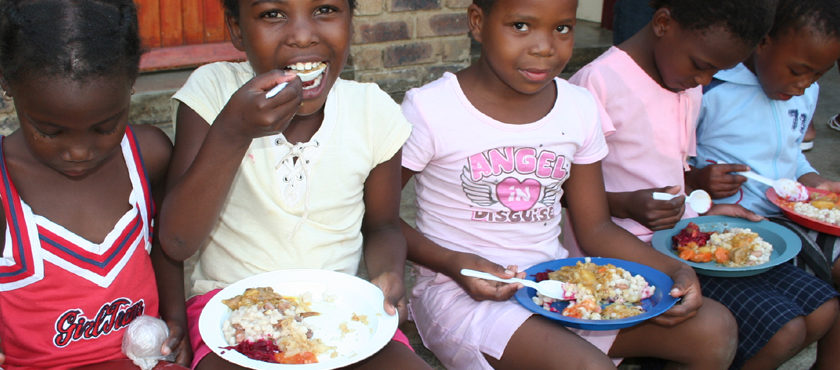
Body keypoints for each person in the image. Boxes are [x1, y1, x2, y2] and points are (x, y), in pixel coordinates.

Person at [400, 0, 741, 368]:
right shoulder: (431, 109)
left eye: (562, 28)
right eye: (520, 26)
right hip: (462, 293)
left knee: (714, 329)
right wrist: (454, 263)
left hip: (556, 282)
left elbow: (595, 226)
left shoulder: (577, 108)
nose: (545, 47)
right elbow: (377, 217)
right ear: (478, 22)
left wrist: (674, 270)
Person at [157, 0, 432, 368]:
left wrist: (388, 274)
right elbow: (176, 242)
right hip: (227, 310)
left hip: (336, 314)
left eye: (324, 10)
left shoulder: (373, 111)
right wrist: (233, 132)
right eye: (273, 13)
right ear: (237, 29)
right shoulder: (212, 92)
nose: (303, 35)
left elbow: (382, 225)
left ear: (352, 20)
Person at [0, 0, 189, 368]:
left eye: (105, 127)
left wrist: (175, 320)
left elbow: (165, 245)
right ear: (6, 82)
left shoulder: (147, 155)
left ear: (132, 80)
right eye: (50, 131)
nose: (78, 151)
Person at [685, 0, 840, 368]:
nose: (803, 87)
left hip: (790, 215)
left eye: (818, 76)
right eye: (798, 71)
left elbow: (793, 154)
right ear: (763, 42)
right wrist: (698, 181)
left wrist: (815, 182)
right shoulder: (712, 89)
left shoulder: (803, 92)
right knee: (796, 322)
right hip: (736, 222)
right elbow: (673, 165)